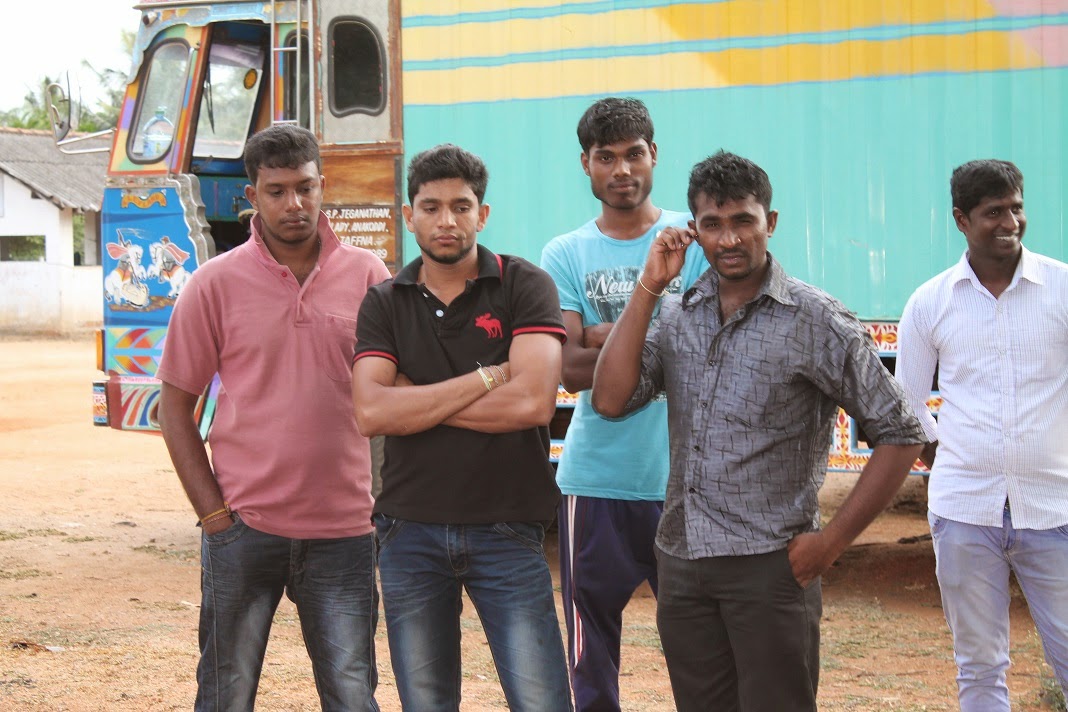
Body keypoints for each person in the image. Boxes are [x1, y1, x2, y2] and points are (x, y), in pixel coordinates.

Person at [591, 150, 925, 711]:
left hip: (770, 567)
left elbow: (901, 431)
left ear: (769, 222)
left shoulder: (816, 319)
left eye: (743, 221)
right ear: (693, 231)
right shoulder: (677, 314)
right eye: (712, 224)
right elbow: (609, 399)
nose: (729, 239)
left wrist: (830, 544)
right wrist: (649, 286)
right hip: (682, 563)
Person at [157, 124, 389, 712]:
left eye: (305, 188)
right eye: (277, 191)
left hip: (346, 532)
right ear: (252, 196)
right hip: (244, 528)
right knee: (224, 694)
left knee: (352, 694)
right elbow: (175, 408)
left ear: (322, 186)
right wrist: (214, 517)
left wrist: (385, 505)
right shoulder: (213, 283)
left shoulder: (369, 276)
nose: (294, 204)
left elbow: (397, 399)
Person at [351, 144, 573, 711]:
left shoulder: (525, 285)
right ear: (409, 216)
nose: (446, 220)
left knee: (541, 701)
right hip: (409, 533)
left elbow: (533, 404)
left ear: (483, 213)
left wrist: (414, 398)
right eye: (431, 207)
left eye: (461, 206)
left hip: (507, 527)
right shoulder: (384, 302)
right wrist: (489, 376)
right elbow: (371, 414)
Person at [539, 97, 706, 711]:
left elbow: (710, 348)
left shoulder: (693, 237)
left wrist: (603, 336)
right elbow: (569, 370)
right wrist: (654, 330)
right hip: (596, 481)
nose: (622, 170)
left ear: (654, 155)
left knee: (701, 649)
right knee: (590, 656)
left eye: (634, 154)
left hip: (686, 482)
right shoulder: (565, 253)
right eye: (605, 157)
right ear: (585, 164)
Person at [895, 159, 1068, 711]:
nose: (1010, 222)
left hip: (1055, 509)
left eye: (1016, 208)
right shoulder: (930, 302)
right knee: (979, 668)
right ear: (961, 220)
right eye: (994, 212)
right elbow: (906, 405)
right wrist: (951, 458)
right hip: (964, 513)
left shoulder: (1062, 289)